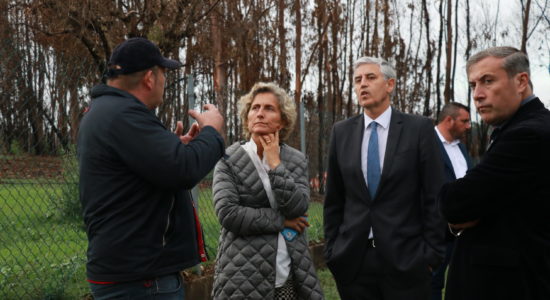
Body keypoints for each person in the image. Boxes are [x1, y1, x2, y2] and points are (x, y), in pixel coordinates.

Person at [77, 37, 225, 299]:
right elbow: (184, 169)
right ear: (149, 78)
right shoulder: (125, 115)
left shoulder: (103, 112)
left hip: (123, 271)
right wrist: (212, 131)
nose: (164, 82)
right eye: (163, 74)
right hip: (141, 279)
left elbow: (145, 170)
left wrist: (173, 147)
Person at [324, 56, 446, 300]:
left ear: (390, 85)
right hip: (354, 261)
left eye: (370, 77)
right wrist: (333, 252)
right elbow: (335, 199)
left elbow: (434, 195)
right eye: (357, 80)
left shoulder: (418, 128)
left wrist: (431, 255)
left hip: (407, 259)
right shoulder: (341, 132)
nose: (362, 85)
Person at [440, 47, 550, 300]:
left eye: (488, 81)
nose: (477, 95)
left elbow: (454, 203)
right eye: (473, 85)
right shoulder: (513, 129)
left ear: (521, 81)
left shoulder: (529, 135)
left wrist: (460, 211)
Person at [211, 82, 323, 299]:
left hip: (288, 272)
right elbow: (229, 214)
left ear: (283, 120)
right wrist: (282, 222)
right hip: (241, 277)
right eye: (255, 108)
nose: (260, 113)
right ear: (247, 117)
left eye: (269, 108)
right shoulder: (228, 160)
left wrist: (275, 163)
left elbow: (298, 206)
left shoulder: (296, 160)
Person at [431, 102, 473, 300]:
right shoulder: (425, 143)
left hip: (465, 232)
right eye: (464, 121)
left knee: (463, 281)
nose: (468, 126)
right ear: (449, 120)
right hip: (437, 231)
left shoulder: (461, 148)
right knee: (433, 282)